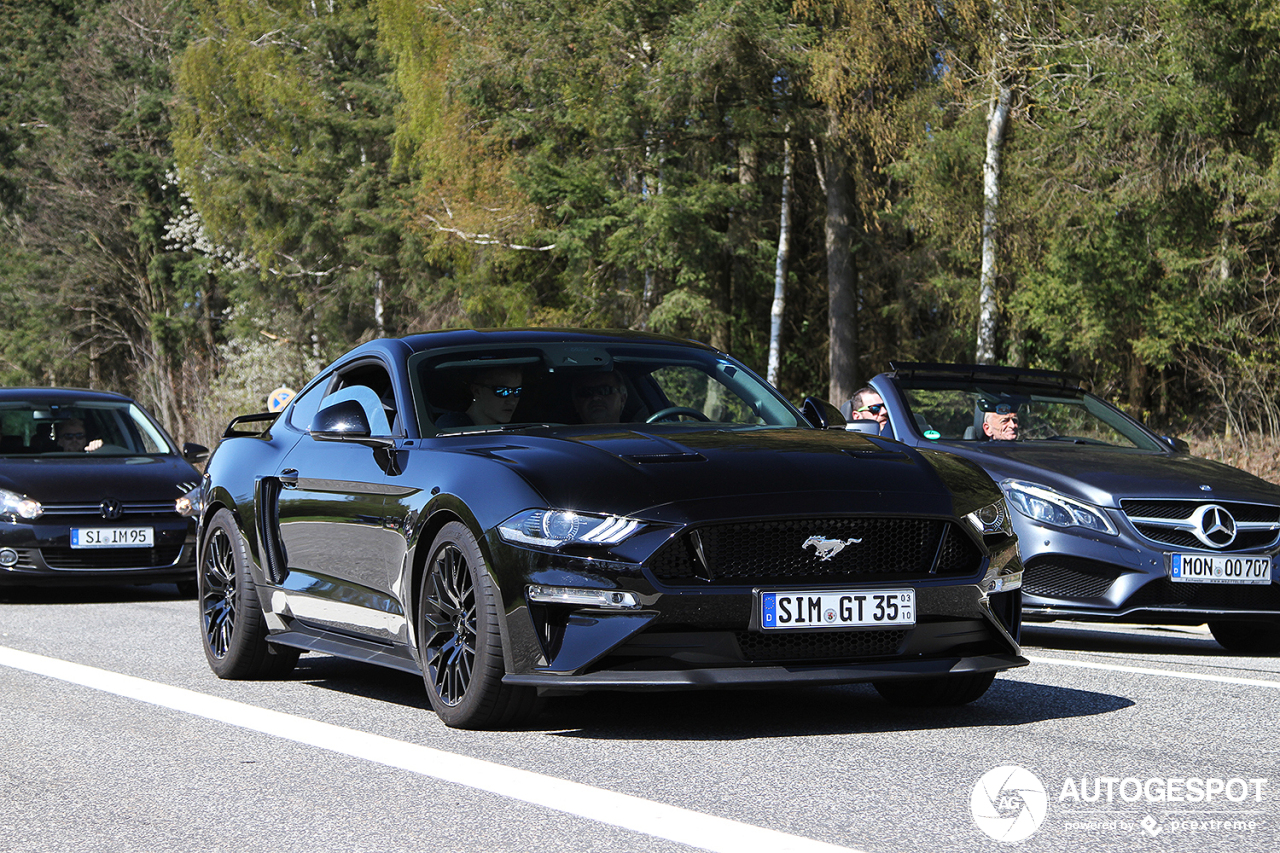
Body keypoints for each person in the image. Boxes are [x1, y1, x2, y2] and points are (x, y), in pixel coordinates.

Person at [437, 366, 523, 427]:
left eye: (517, 391)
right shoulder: (451, 428)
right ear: (477, 391)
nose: (512, 401)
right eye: (502, 391)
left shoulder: (515, 431)